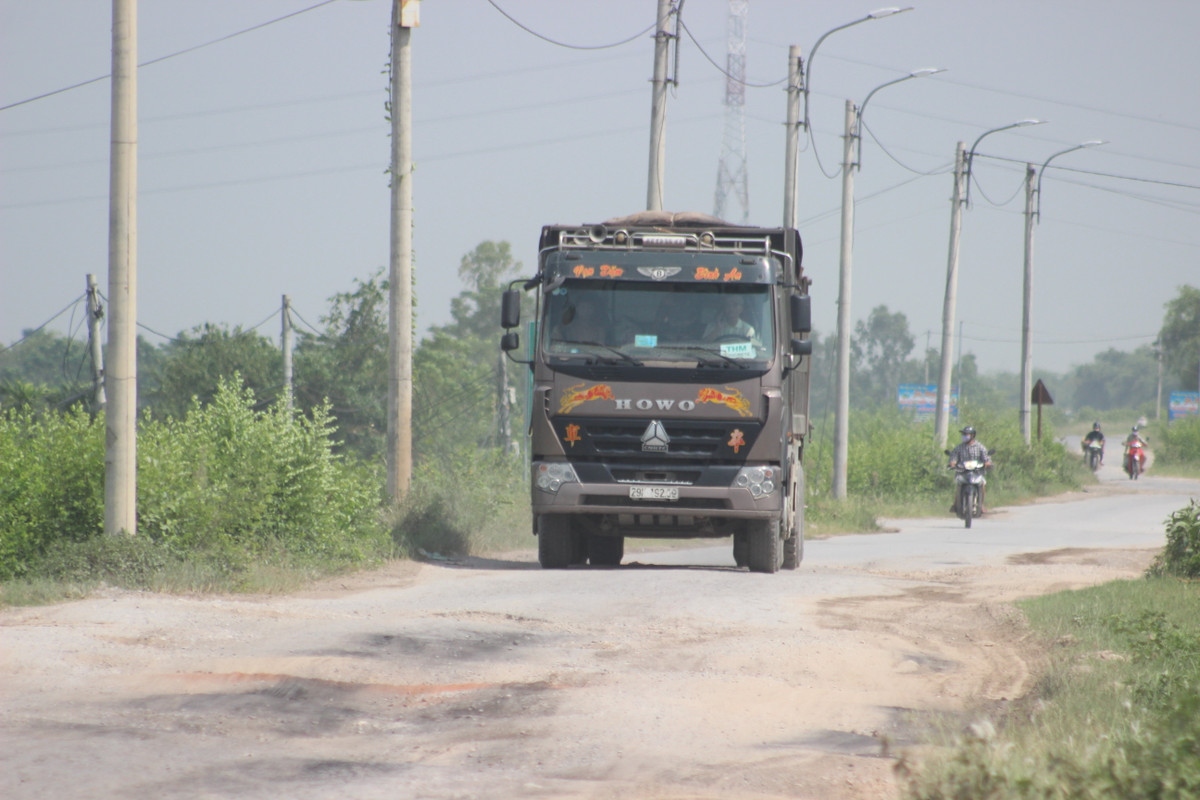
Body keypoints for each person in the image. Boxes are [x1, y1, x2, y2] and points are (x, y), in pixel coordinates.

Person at [948, 425, 993, 513]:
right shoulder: (959, 448)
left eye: (966, 434)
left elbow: (986, 459)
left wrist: (987, 463)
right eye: (964, 434)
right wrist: (952, 463)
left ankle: (981, 504)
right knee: (958, 485)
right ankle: (956, 503)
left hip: (977, 472)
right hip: (962, 472)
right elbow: (953, 458)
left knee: (982, 485)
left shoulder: (980, 447)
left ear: (972, 435)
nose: (964, 436)